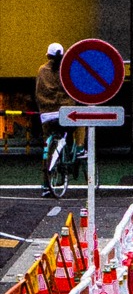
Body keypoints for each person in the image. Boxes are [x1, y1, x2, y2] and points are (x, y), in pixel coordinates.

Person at [35, 42, 71, 195]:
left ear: (48, 55)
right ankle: (80, 148)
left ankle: (45, 184)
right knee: (79, 125)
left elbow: (38, 93)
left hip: (47, 115)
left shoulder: (42, 70)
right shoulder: (66, 71)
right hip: (64, 112)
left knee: (47, 147)